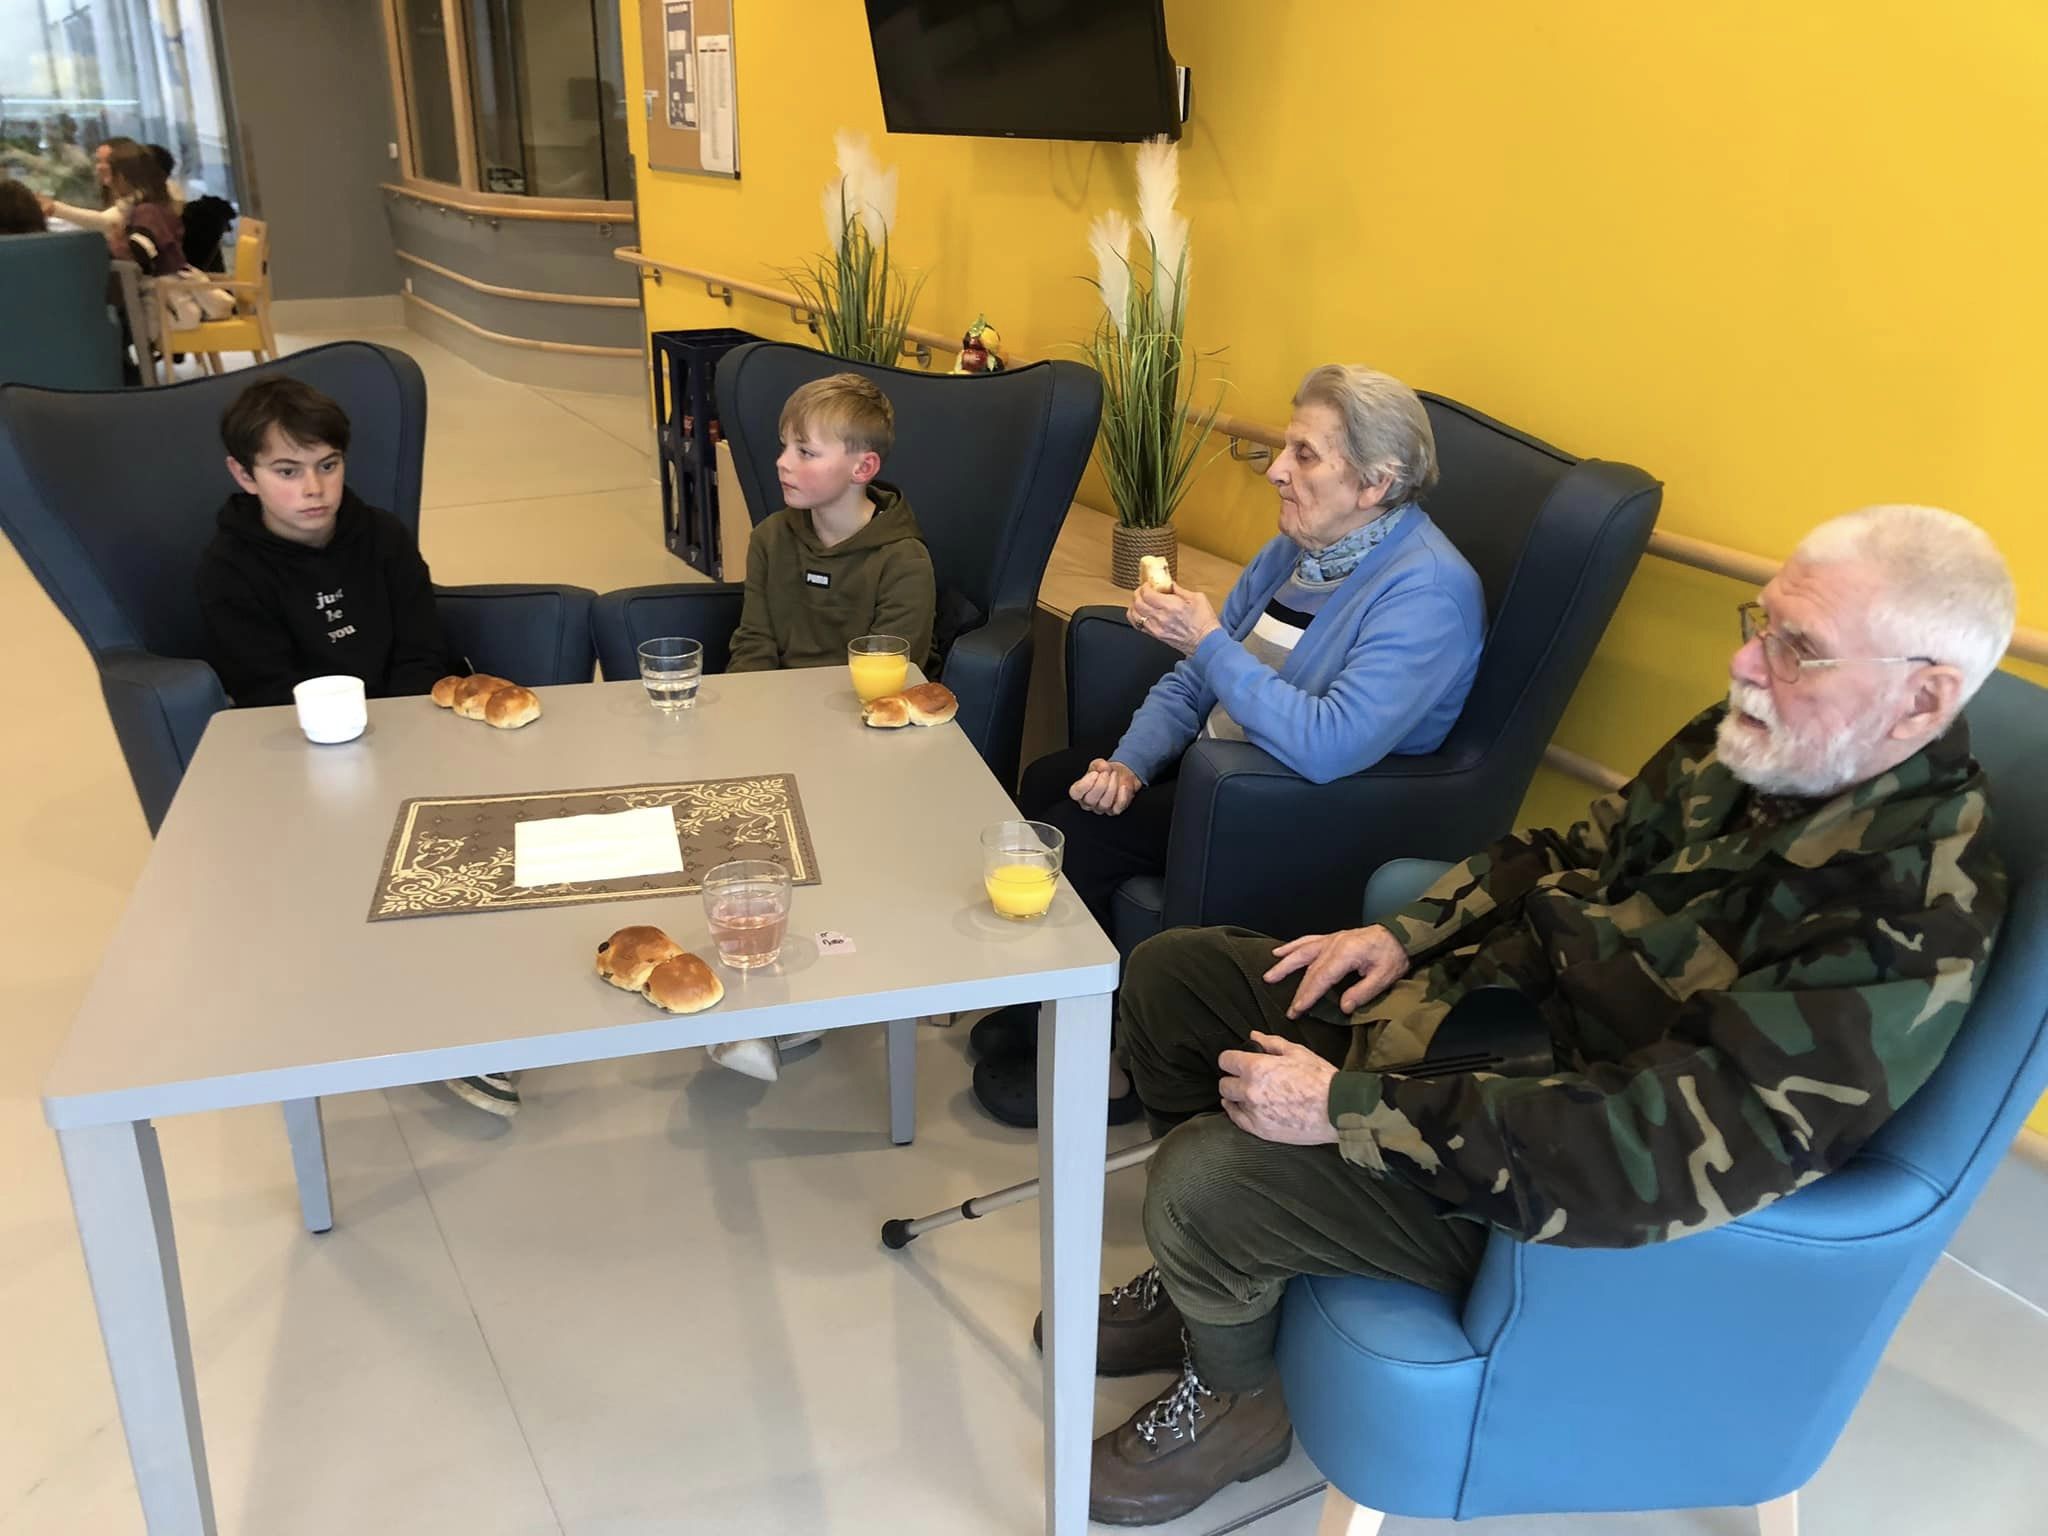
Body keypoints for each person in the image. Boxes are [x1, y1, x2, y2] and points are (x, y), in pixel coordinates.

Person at [1069, 503, 2015, 1527]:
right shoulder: (1756, 743)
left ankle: (1238, 1398)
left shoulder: (1904, 917)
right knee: (1175, 979)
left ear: (1920, 699)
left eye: (1798, 647)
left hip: (1555, 1184)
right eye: (1761, 623)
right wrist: (1406, 935)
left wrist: (1346, 1109)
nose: (1745, 664)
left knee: (1207, 1177)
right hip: (1487, 1032)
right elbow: (1575, 852)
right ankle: (1215, 1292)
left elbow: (1657, 1149)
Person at [969, 365, 1487, 1127]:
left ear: (1374, 484)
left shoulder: (1428, 593)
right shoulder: (1295, 551)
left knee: (1082, 836)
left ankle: (1113, 1066)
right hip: (1220, 765)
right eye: (1285, 447)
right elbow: (1193, 681)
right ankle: (1042, 1009)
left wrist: (1208, 641)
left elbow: (1326, 744)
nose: (1276, 469)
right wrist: (1129, 763)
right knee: (1055, 781)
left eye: (1305, 455)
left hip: (1287, 802)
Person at [194, 380, 506, 1120]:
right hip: (305, 755)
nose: (313, 489)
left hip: (411, 735)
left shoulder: (383, 537)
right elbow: (266, 692)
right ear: (244, 474)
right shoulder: (229, 570)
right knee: (362, 871)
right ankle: (428, 1026)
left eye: (327, 466)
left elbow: (421, 650)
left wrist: (402, 742)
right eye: (287, 471)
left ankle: (485, 999)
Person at [713, 371, 938, 1081]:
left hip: (860, 746)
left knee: (815, 844)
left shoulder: (904, 562)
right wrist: (749, 729)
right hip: (774, 731)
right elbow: (752, 645)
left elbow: (890, 681)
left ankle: (783, 1013)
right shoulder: (770, 539)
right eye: (784, 446)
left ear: (862, 468)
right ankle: (752, 994)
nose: (783, 463)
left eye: (806, 451)